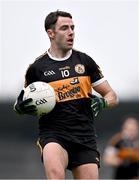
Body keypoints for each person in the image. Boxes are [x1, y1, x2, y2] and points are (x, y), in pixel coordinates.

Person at [14, 10, 118, 179]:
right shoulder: (37, 68)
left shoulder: (85, 62)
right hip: (54, 135)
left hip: (84, 137)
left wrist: (104, 102)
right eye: (64, 28)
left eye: (72, 27)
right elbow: (21, 102)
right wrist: (19, 108)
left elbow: (112, 95)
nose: (71, 32)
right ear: (51, 33)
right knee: (55, 174)